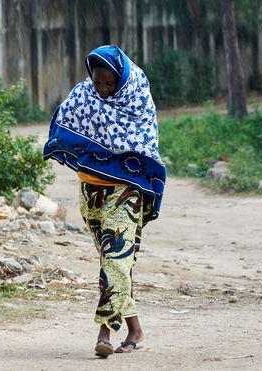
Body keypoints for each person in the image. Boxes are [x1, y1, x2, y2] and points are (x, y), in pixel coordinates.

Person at [43, 45, 166, 357]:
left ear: (121, 79)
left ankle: (105, 333)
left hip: (128, 191)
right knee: (115, 263)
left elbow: (145, 143)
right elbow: (63, 123)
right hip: (92, 194)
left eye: (109, 83)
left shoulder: (137, 96)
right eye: (97, 82)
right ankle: (135, 329)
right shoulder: (85, 94)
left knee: (113, 261)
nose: (103, 89)